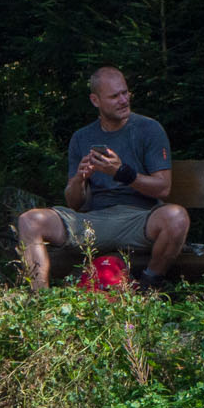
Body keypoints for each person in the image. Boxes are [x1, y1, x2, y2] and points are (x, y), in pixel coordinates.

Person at [18, 67, 189, 290]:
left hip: (139, 219)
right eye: (114, 96)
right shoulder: (81, 137)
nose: (123, 100)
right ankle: (39, 301)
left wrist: (122, 173)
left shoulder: (149, 129)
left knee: (176, 217)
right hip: (93, 222)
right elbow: (74, 203)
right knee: (29, 220)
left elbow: (163, 188)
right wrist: (80, 179)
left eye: (125, 93)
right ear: (95, 100)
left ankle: (149, 285)